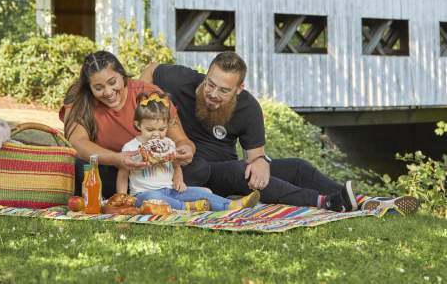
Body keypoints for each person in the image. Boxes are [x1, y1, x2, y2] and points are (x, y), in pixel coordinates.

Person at [141, 51, 420, 214]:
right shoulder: (180, 79)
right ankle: (326, 202)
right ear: (206, 75)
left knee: (294, 166)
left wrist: (260, 162)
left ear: (239, 89)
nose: (213, 94)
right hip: (193, 170)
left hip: (226, 166)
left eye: (224, 90)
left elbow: (256, 158)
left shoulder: (248, 107)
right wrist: (149, 108)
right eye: (210, 84)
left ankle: (364, 201)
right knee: (237, 171)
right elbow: (150, 70)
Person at [60, 51, 195, 199]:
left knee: (199, 168)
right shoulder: (79, 100)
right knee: (80, 167)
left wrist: (186, 149)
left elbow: (181, 140)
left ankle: (160, 193)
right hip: (111, 169)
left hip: (154, 169)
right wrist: (117, 159)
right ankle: (140, 196)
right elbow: (77, 143)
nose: (108, 92)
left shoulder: (148, 95)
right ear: (89, 88)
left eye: (112, 83)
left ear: (122, 75)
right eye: (98, 88)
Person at [116, 91, 260, 212]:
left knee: (202, 193)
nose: (156, 134)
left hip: (171, 190)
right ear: (138, 125)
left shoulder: (168, 143)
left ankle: (233, 205)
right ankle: (186, 207)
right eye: (150, 130)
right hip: (144, 194)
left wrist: (178, 179)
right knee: (152, 199)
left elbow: (176, 165)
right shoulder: (130, 148)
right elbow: (123, 174)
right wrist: (123, 199)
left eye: (162, 129)